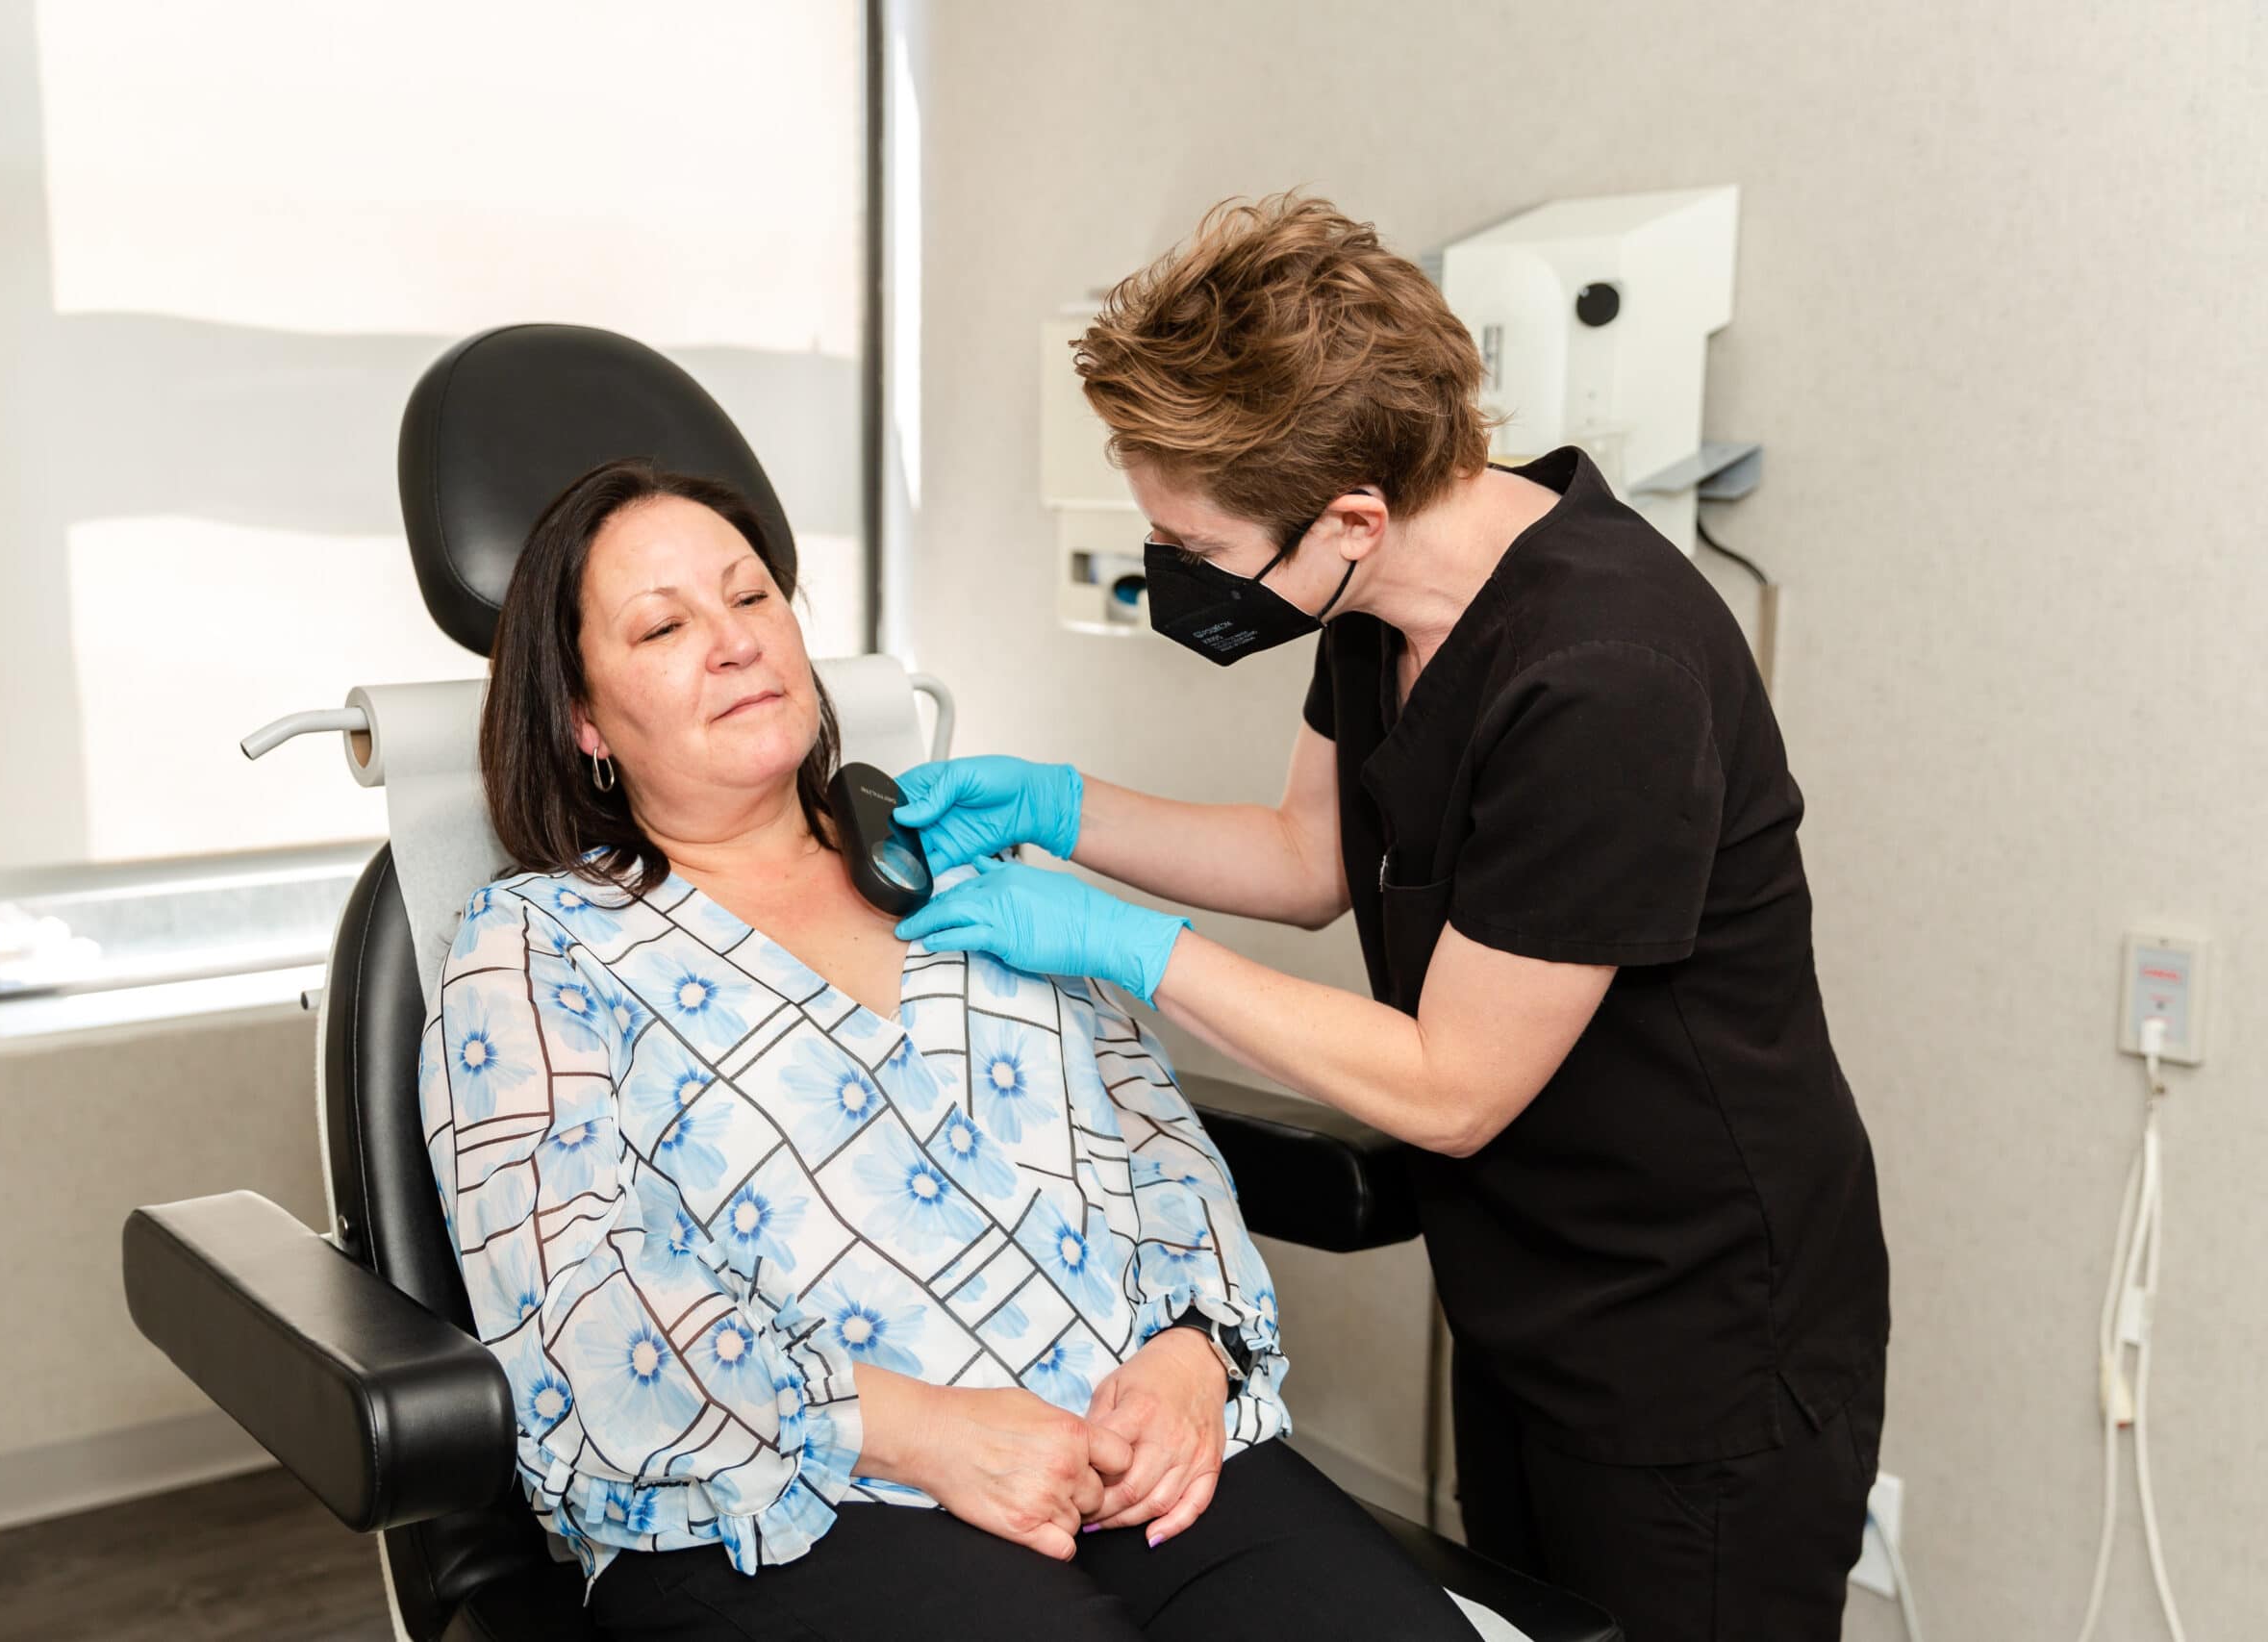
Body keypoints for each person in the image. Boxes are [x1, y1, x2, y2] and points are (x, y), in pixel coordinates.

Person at [892, 195, 1891, 1642]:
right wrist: (1058, 804)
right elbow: (1311, 853)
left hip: (1698, 1333)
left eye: (1195, 538)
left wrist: (1128, 943)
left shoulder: (1606, 675)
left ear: (1352, 515)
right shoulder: (1381, 604)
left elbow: (1455, 1086)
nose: (1173, 567)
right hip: (1529, 1296)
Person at [416, 459, 1484, 1640]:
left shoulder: (951, 862)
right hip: (793, 1488)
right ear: (580, 718)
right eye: (663, 626)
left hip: (1124, 1434)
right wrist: (925, 1431)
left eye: (753, 597)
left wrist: (1192, 1352)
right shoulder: (532, 948)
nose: (732, 643)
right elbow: (579, 1311)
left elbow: (1155, 1139)